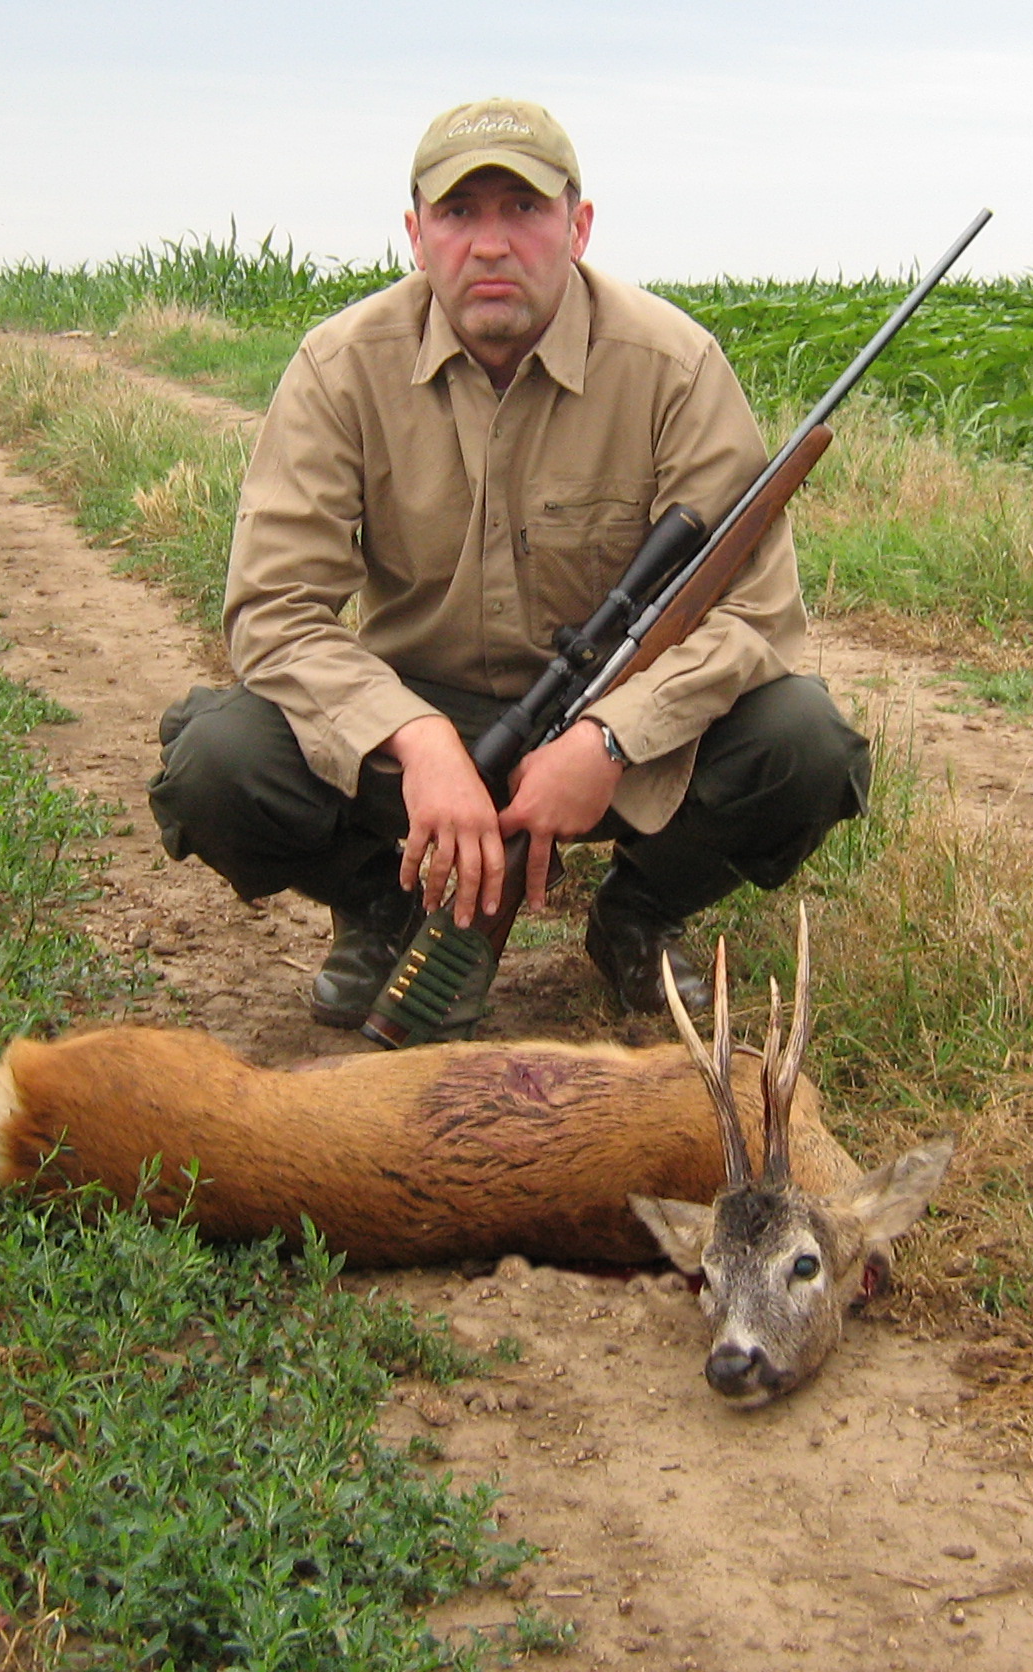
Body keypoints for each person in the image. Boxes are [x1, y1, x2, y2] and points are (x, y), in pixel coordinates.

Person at [147, 98, 869, 1040]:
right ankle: (379, 908)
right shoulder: (338, 367)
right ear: (416, 235)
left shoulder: (674, 365)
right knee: (216, 762)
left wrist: (608, 739)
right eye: (459, 213)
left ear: (579, 226)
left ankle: (639, 913)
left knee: (804, 744)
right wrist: (418, 743)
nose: (491, 244)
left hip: (612, 721)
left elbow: (755, 614)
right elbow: (275, 610)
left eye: (524, 210)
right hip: (413, 722)